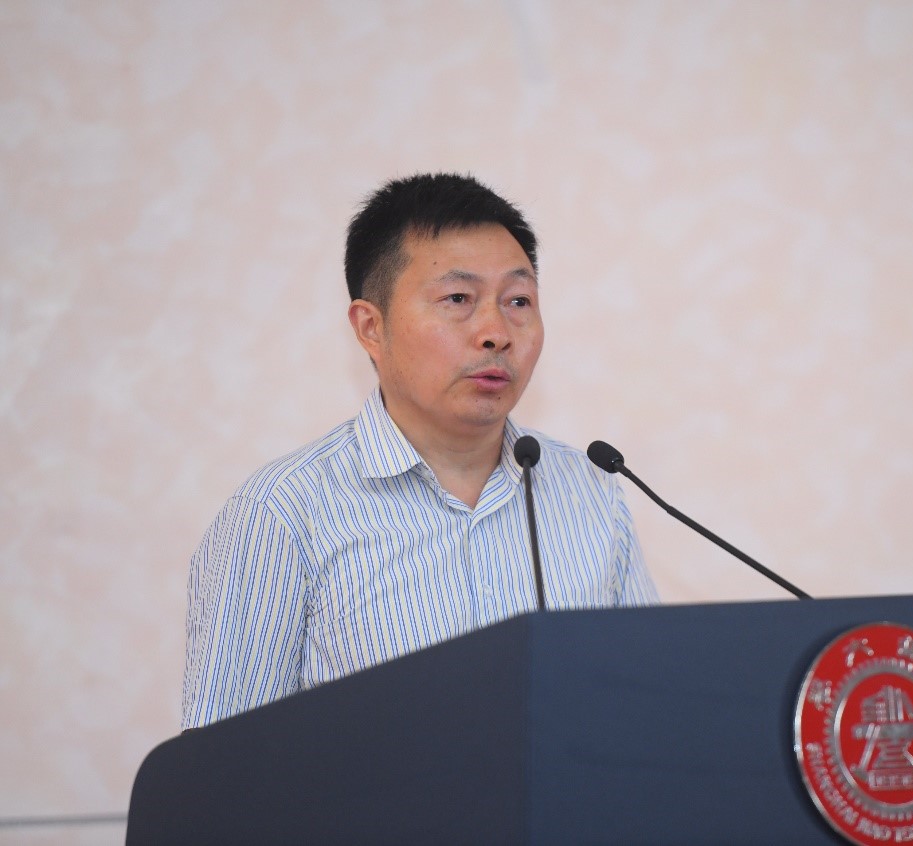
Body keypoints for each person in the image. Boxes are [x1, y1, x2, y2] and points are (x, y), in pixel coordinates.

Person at [182, 173, 658, 729]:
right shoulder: (283, 515)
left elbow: (647, 708)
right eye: (457, 299)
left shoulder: (590, 488)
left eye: (518, 301)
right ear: (371, 327)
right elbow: (221, 765)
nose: (496, 332)